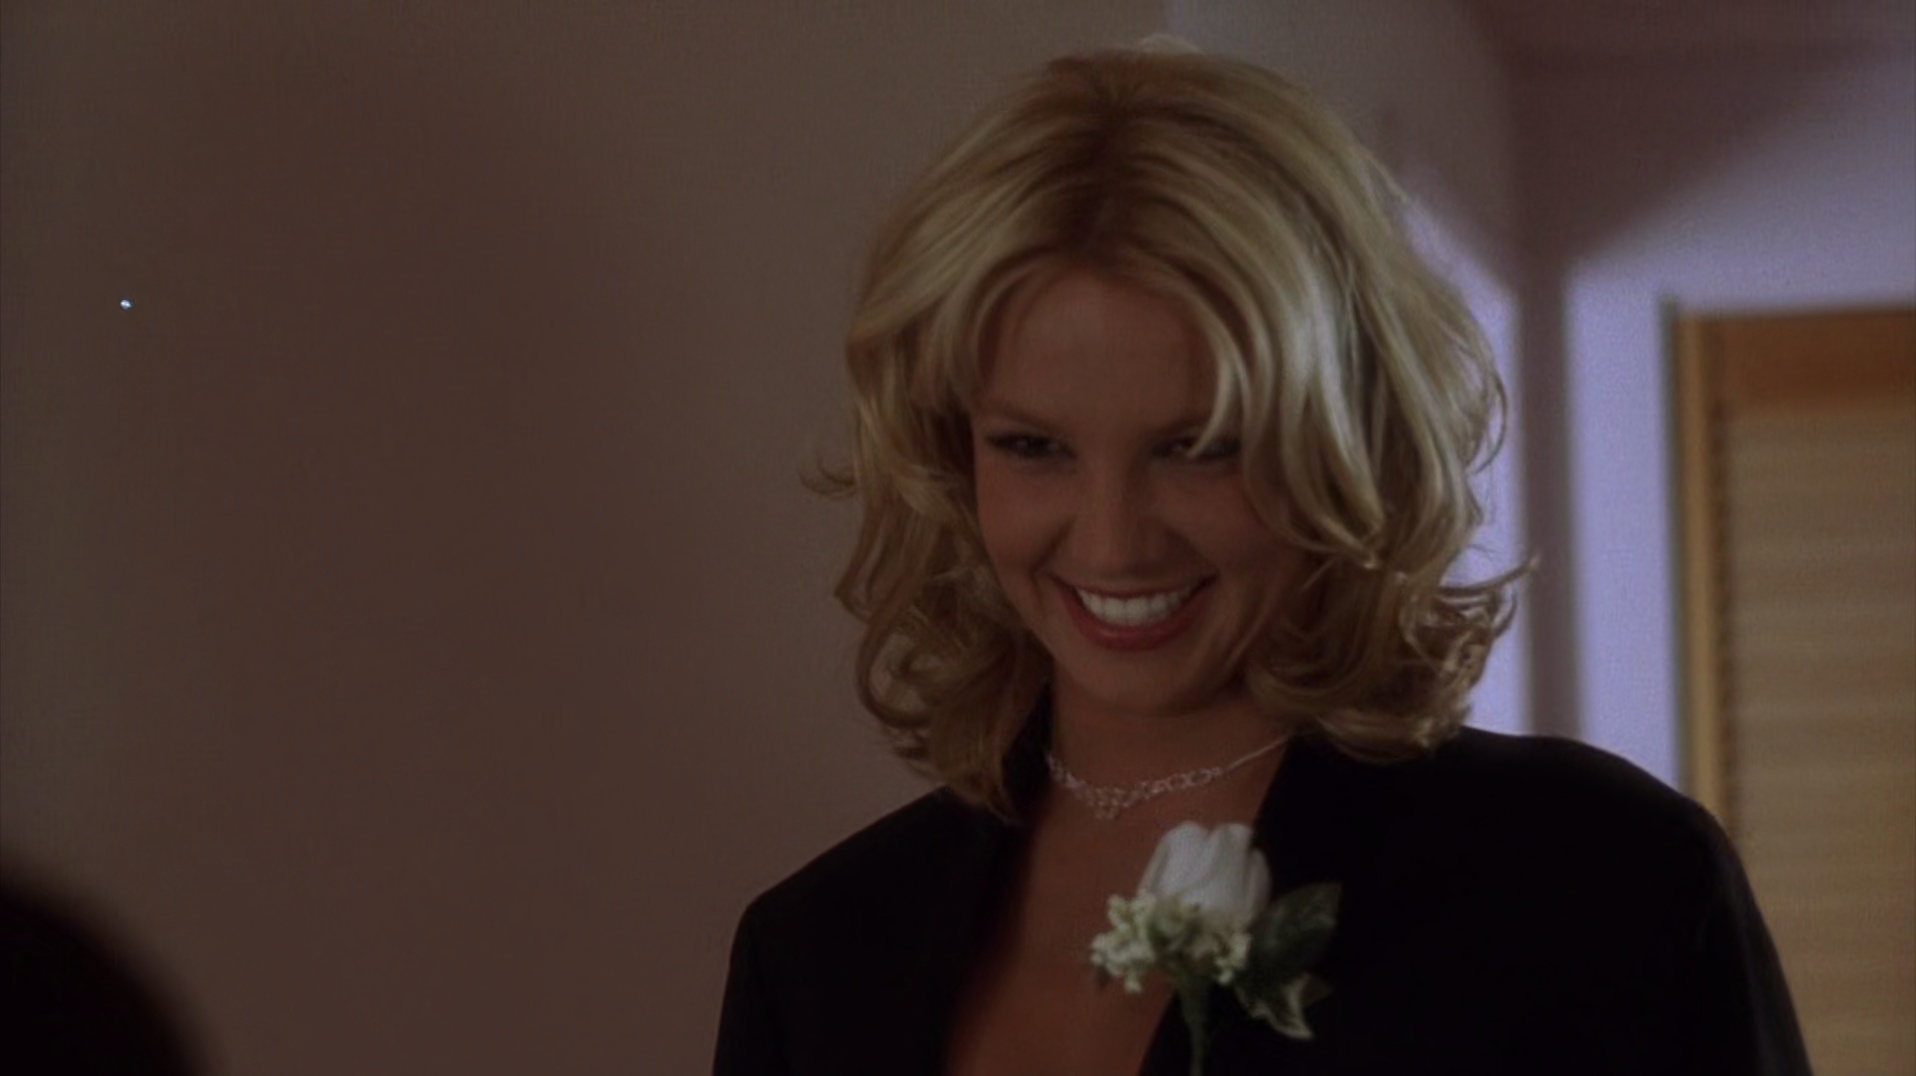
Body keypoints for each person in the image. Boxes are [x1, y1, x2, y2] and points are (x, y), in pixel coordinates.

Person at [714, 41, 1808, 1076]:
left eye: (1199, 447)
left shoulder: (1602, 882)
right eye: (1033, 448)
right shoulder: (815, 955)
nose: (1113, 540)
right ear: (951, 453)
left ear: (1345, 439)